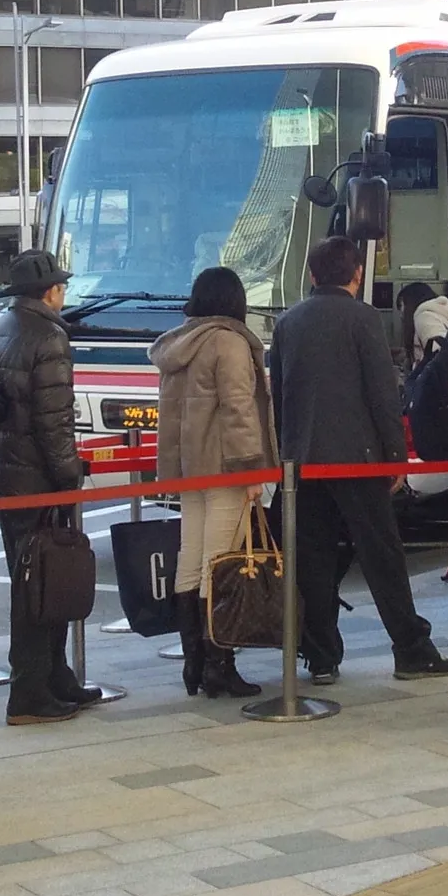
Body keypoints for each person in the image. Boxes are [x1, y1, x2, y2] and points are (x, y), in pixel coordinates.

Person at [268, 235, 448, 685]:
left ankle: (320, 655)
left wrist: (287, 451)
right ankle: (410, 647)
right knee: (382, 555)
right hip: (359, 458)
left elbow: (280, 395)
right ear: (357, 275)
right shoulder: (363, 319)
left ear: (313, 275)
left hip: (303, 459)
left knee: (312, 558)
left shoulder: (288, 322)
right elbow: (381, 393)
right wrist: (395, 455)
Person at [0, 253, 98, 726]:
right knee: (43, 585)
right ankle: (32, 692)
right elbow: (55, 421)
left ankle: (55, 679)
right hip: (40, 483)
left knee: (33, 581)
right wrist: (69, 474)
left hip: (3, 482)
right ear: (51, 293)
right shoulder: (50, 336)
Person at [149, 266, 272, 699]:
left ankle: (193, 664)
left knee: (192, 557)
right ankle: (219, 663)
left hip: (188, 469)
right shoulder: (229, 342)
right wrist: (253, 470)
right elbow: (239, 409)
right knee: (220, 562)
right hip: (225, 467)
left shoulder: (178, 342)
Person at [394, 281, 448, 375]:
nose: (401, 314)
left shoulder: (424, 317)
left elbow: (439, 354)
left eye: (401, 305)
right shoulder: (442, 313)